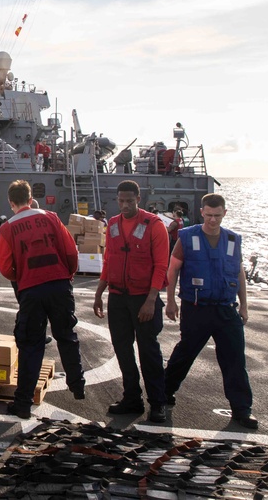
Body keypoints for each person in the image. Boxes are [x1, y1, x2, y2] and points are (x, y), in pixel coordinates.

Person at [164, 193, 258, 429]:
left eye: (217, 216)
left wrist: (244, 305)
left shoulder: (233, 240)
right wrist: (171, 301)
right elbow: (173, 269)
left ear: (224, 213)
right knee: (185, 352)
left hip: (226, 309)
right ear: (202, 213)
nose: (213, 220)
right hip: (196, 308)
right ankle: (164, 394)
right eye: (208, 215)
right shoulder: (187, 237)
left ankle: (241, 409)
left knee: (235, 359)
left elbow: (239, 273)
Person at [0, 180, 86, 418]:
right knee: (66, 335)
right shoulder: (51, 217)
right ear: (30, 198)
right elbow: (70, 251)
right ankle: (77, 384)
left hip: (31, 291)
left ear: (11, 202)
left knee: (31, 345)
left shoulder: (7, 228)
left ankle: (23, 404)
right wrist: (67, 274)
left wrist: (22, 277)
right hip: (59, 286)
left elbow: (6, 267)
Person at [93, 181, 169, 422]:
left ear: (138, 198)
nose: (125, 205)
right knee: (123, 350)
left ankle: (158, 403)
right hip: (118, 297)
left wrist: (151, 300)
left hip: (142, 299)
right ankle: (131, 399)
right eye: (121, 201)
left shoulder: (154, 226)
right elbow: (109, 260)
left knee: (148, 352)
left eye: (130, 201)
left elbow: (161, 265)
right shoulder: (113, 224)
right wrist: (99, 292)